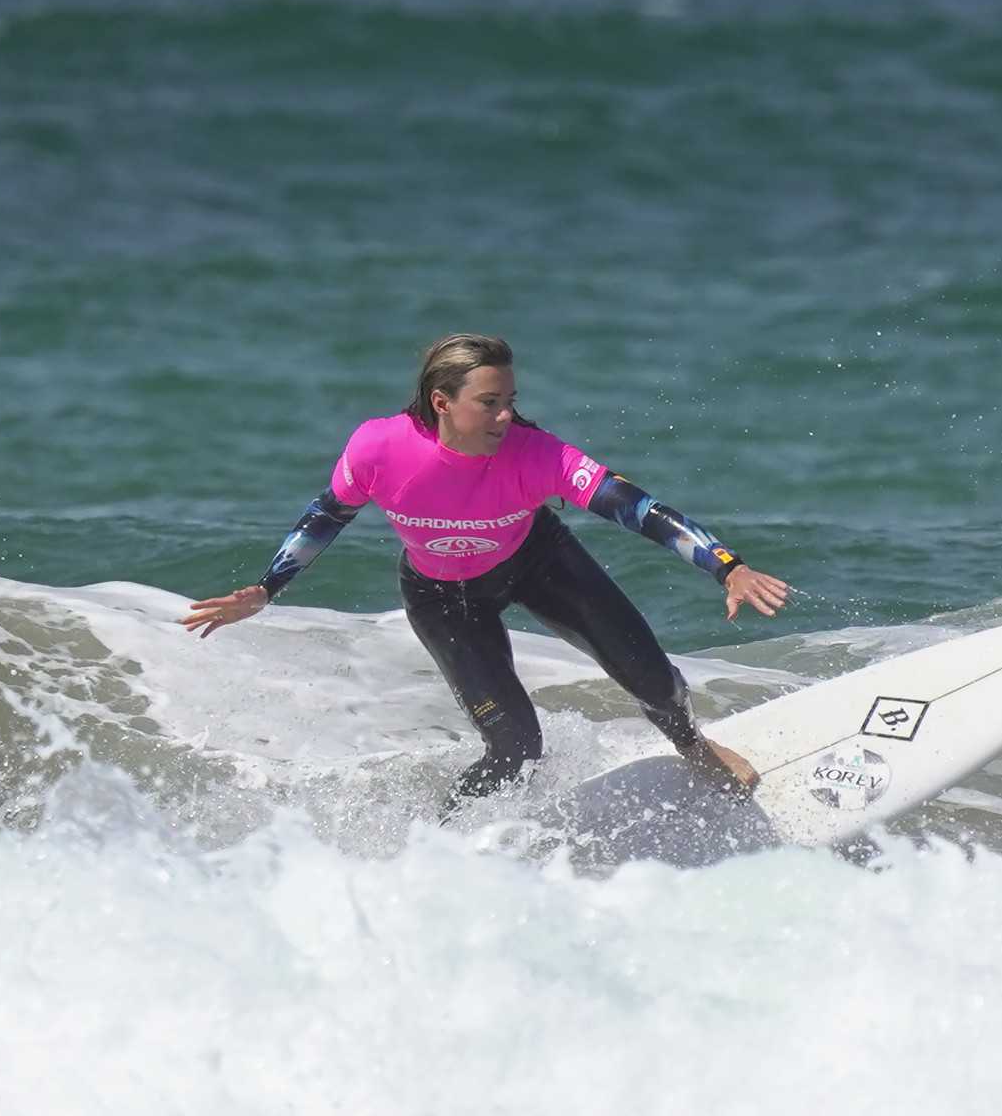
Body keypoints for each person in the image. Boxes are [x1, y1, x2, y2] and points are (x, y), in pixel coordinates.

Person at [182, 332, 790, 803]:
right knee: (516, 747)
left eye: (510, 402)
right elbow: (326, 515)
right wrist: (267, 589)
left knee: (656, 681)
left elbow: (636, 508)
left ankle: (693, 747)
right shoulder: (379, 448)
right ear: (442, 402)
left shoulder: (538, 455)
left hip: (537, 562)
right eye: (490, 403)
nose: (506, 417)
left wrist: (725, 567)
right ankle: (451, 846)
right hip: (442, 596)